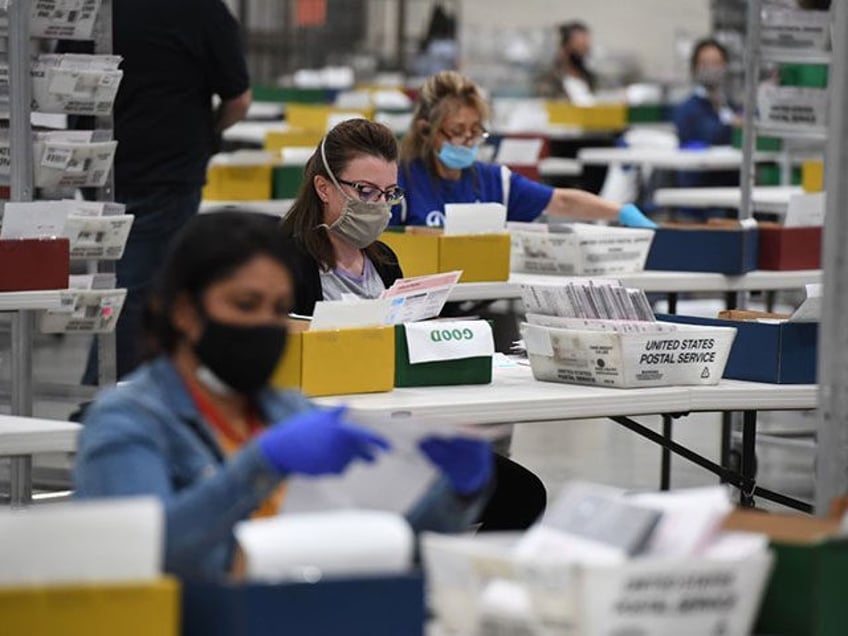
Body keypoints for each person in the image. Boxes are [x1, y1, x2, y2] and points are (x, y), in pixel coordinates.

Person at [74, 211, 495, 580]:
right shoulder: (129, 421)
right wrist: (262, 465)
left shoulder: (286, 410)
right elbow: (146, 556)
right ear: (184, 312)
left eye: (278, 310)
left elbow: (378, 547)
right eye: (245, 304)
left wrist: (453, 495)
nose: (265, 324)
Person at [280, 118, 547, 532]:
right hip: (331, 434)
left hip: (399, 425)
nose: (378, 205)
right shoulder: (283, 259)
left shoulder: (383, 260)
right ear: (324, 187)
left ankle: (449, 580)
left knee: (522, 493)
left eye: (388, 194)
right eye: (365, 191)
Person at [79, 0, 253, 384]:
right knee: (136, 295)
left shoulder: (95, 7)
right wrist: (208, 134)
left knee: (118, 286)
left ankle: (122, 396)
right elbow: (238, 100)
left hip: (93, 165)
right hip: (168, 171)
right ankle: (100, 402)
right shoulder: (201, 10)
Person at [395, 71, 655, 230]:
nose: (467, 139)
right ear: (426, 129)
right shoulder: (401, 184)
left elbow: (561, 201)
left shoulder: (494, 182)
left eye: (475, 131)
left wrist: (620, 211)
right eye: (456, 130)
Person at [672, 38, 741, 203]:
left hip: (731, 183)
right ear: (695, 68)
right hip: (700, 185)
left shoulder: (729, 105)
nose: (712, 69)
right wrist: (733, 126)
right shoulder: (687, 109)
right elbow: (711, 135)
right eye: (705, 63)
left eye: (716, 63)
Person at [536, 21, 596, 104]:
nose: (583, 51)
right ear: (565, 46)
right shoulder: (550, 79)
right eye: (579, 45)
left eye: (585, 47)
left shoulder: (589, 78)